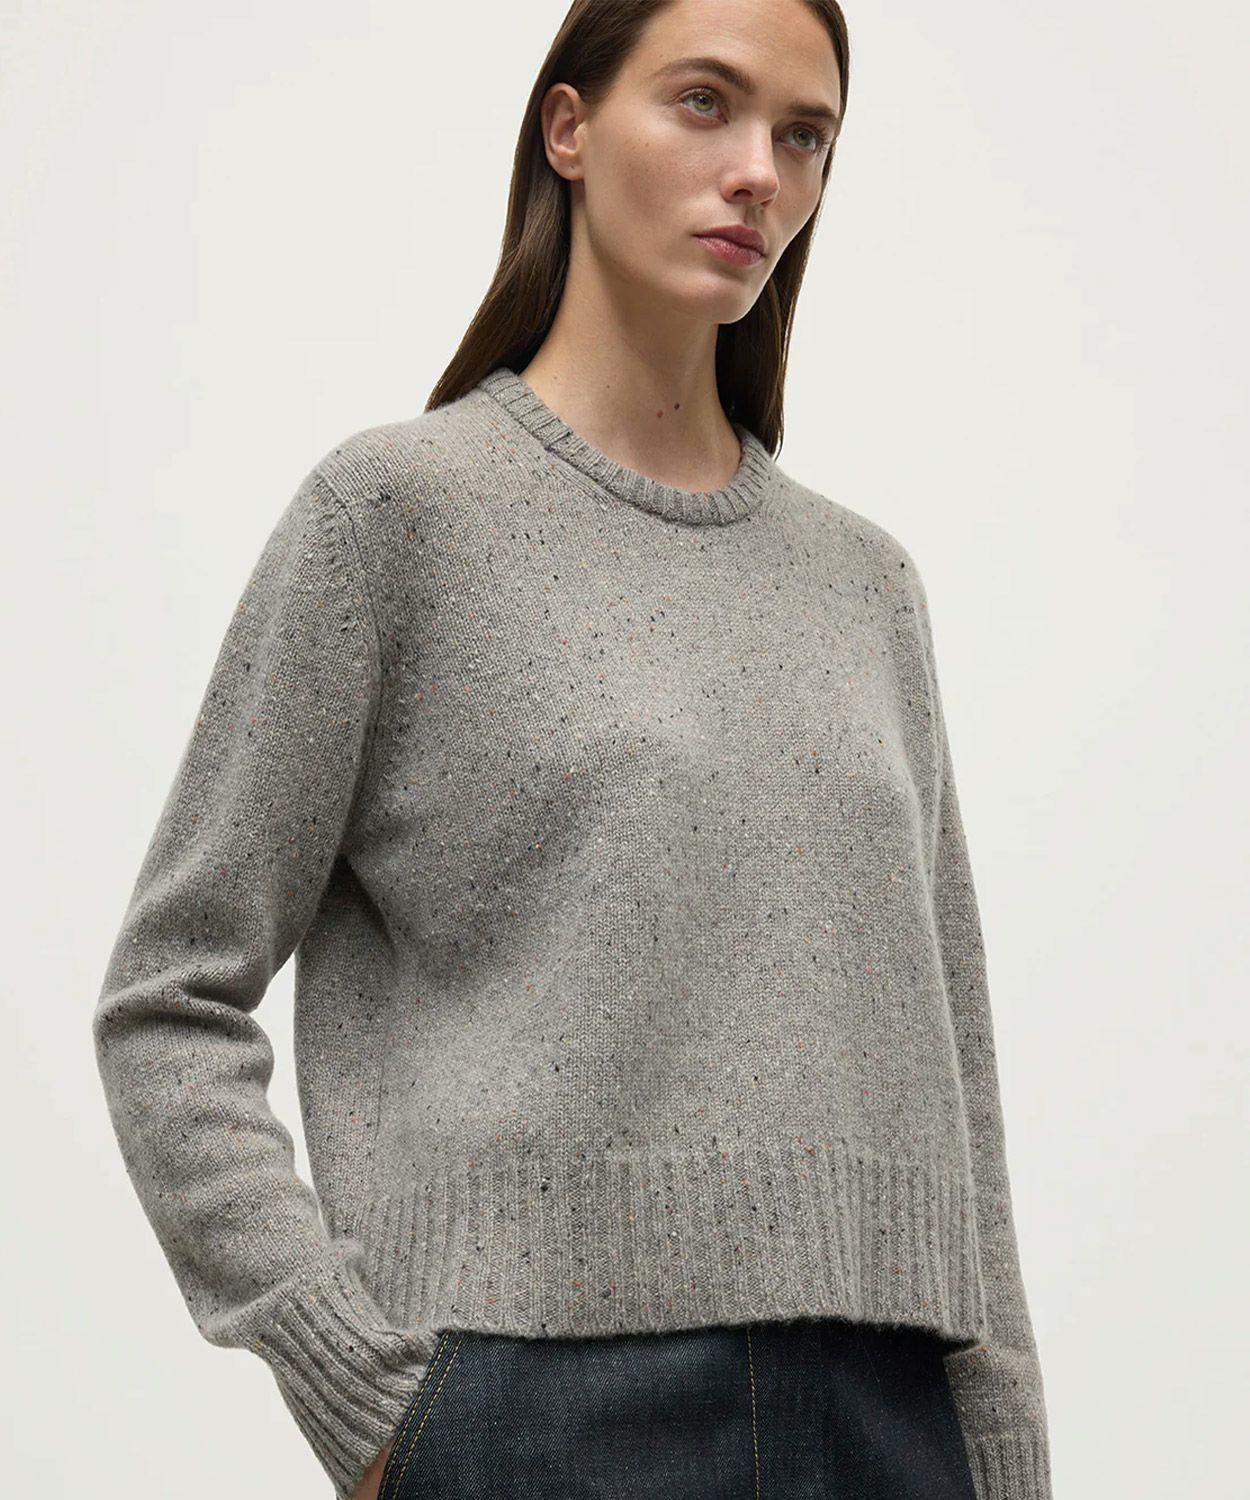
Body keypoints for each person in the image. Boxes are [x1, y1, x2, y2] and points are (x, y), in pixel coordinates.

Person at [92, 2, 1052, 1497]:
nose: (760, 172)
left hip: (885, 1421)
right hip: (537, 1412)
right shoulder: (395, 518)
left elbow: (955, 1078)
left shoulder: (865, 585)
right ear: (569, 129)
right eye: (704, 102)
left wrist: (1004, 1450)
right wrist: (361, 1390)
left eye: (804, 135)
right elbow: (169, 998)